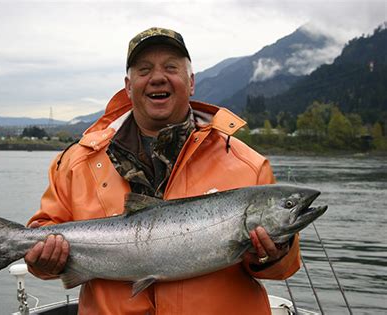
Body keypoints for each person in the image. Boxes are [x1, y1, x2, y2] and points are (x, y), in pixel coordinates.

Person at [24, 27, 301, 315]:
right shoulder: (76, 162)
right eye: (144, 69)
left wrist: (277, 252)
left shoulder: (249, 164)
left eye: (171, 67)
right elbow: (41, 242)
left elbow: (281, 270)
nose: (158, 77)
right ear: (128, 86)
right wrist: (40, 260)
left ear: (191, 81)